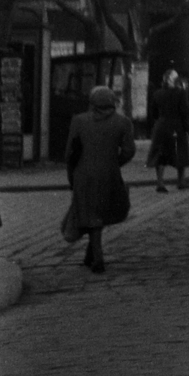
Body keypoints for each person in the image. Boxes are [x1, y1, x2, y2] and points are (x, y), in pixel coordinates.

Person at [62, 85, 135, 274]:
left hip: (82, 175)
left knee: (89, 213)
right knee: (99, 212)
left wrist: (72, 177)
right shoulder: (123, 122)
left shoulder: (79, 121)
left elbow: (70, 153)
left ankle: (97, 257)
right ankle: (93, 254)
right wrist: (115, 163)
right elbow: (129, 150)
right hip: (109, 174)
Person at [147, 69, 189, 192]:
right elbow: (185, 111)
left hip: (161, 125)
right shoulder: (181, 93)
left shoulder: (157, 94)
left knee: (160, 154)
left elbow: (153, 113)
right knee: (180, 152)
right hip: (177, 125)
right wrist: (188, 128)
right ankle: (181, 181)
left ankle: (160, 183)